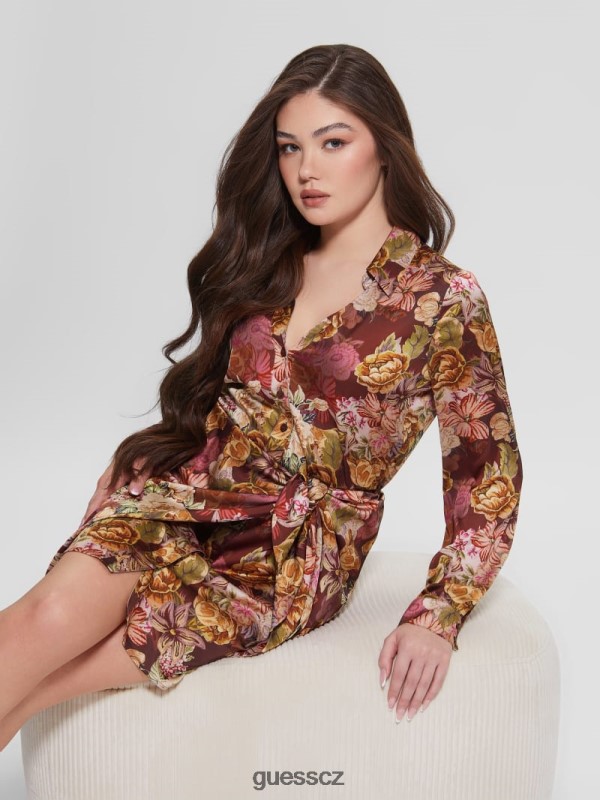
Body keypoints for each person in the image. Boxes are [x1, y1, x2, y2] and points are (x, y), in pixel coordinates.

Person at [0, 43, 523, 749]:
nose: (307, 170)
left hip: (292, 552)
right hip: (188, 495)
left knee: (52, 682)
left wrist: (438, 614)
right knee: (45, 620)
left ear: (385, 147)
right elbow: (216, 399)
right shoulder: (266, 257)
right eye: (289, 147)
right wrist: (143, 455)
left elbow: (486, 477)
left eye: (333, 142)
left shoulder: (443, 298)